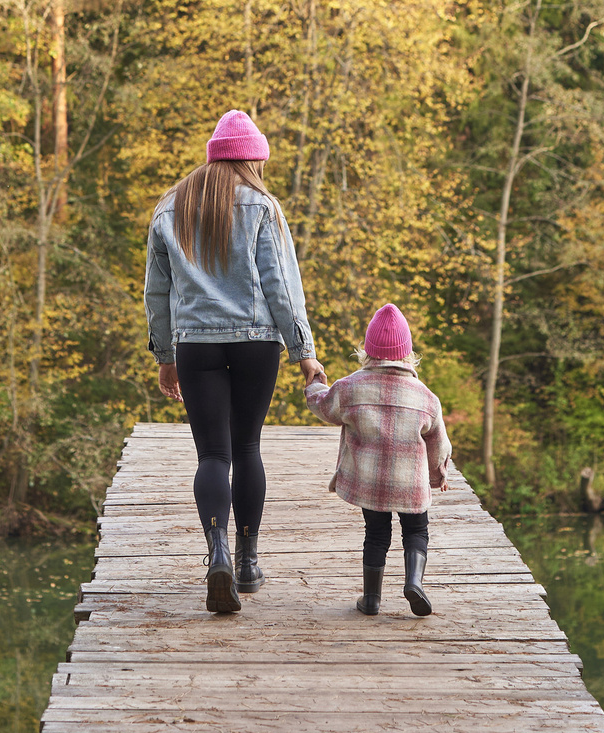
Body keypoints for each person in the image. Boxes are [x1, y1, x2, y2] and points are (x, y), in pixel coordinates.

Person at [143, 109, 322, 616]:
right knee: (247, 447)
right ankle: (246, 561)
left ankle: (216, 552)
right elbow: (282, 287)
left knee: (212, 456)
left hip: (194, 344)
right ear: (251, 160)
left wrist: (164, 355)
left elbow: (157, 293)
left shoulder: (169, 207)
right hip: (256, 342)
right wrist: (304, 351)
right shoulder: (263, 206)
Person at [305, 303, 454, 618]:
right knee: (416, 531)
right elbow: (438, 442)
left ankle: (371, 599)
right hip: (410, 485)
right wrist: (437, 475)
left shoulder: (350, 388)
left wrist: (315, 383)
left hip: (370, 483)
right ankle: (414, 582)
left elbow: (323, 405)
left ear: (367, 351)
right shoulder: (426, 397)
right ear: (407, 353)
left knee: (375, 534)